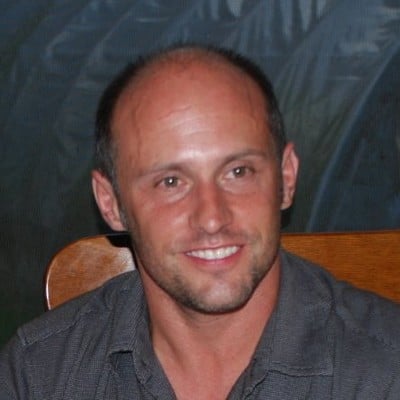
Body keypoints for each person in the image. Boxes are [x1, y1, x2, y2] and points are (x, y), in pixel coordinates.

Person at [1, 44, 400, 399]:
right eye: (170, 182)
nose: (212, 218)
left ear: (287, 178)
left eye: (238, 172)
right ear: (111, 203)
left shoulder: (387, 372)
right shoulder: (38, 376)